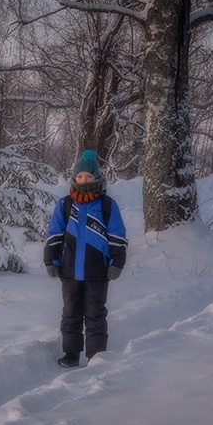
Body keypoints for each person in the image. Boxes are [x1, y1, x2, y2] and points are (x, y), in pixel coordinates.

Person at [43, 149, 128, 368]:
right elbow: (55, 233)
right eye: (80, 176)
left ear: (97, 178)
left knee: (95, 314)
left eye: (89, 176)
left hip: (98, 271)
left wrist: (117, 263)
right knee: (70, 314)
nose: (84, 179)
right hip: (69, 270)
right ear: (74, 177)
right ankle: (71, 354)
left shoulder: (107, 205)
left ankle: (96, 356)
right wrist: (50, 260)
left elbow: (117, 235)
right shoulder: (65, 204)